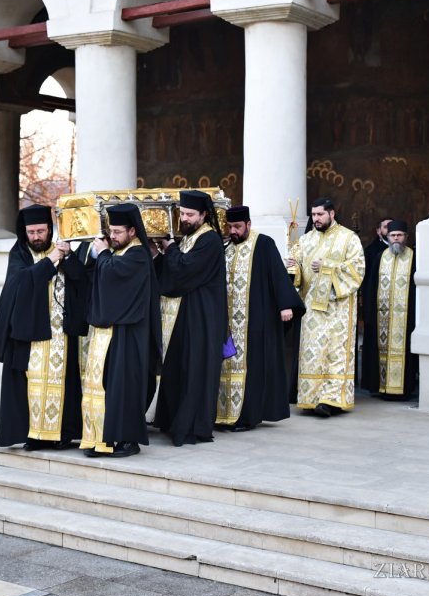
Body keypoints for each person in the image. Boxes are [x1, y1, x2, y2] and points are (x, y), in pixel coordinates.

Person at [0, 205, 89, 450]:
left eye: (40, 231)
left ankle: (60, 434)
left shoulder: (62, 251)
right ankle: (34, 435)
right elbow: (21, 282)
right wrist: (51, 260)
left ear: (50, 230)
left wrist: (68, 257)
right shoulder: (19, 254)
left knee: (63, 383)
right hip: (30, 336)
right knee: (31, 384)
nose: (36, 236)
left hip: (61, 335)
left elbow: (82, 281)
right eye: (31, 232)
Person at [216, 206, 305, 431]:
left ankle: (247, 417)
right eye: (230, 227)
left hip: (255, 318)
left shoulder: (263, 244)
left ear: (248, 224)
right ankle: (224, 414)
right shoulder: (226, 248)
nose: (233, 231)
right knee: (227, 367)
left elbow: (277, 273)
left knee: (252, 367)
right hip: (228, 322)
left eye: (237, 227)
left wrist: (286, 304)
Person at [82, 203, 160, 458]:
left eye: (117, 232)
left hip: (129, 335)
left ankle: (127, 441)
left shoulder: (137, 255)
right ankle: (102, 439)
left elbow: (114, 277)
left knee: (123, 387)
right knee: (105, 385)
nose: (112, 236)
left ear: (133, 232)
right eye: (110, 231)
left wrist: (103, 254)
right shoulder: (121, 251)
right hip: (111, 332)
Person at [153, 189, 228, 446]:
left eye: (189, 214)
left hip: (202, 319)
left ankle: (190, 427)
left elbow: (185, 270)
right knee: (178, 368)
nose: (184, 218)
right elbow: (173, 272)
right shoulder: (190, 237)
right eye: (182, 213)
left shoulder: (209, 240)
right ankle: (172, 421)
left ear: (204, 215)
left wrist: (170, 249)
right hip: (184, 317)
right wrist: (160, 254)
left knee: (195, 370)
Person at [286, 198, 365, 417]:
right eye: (313, 215)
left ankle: (331, 400)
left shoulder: (349, 238)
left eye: (320, 214)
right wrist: (294, 268)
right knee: (313, 353)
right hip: (312, 309)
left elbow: (357, 270)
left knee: (335, 353)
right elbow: (299, 275)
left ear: (332, 213)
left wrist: (328, 267)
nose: (316, 219)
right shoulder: (306, 239)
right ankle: (312, 399)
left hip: (338, 309)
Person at [371, 220, 418, 400]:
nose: (396, 238)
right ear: (387, 237)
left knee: (406, 353)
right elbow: (371, 287)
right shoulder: (380, 258)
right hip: (382, 317)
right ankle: (384, 388)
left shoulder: (415, 257)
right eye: (393, 235)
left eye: (399, 235)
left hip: (407, 319)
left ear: (406, 237)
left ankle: (404, 389)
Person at [359, 217, 391, 392]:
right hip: (377, 308)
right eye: (386, 227)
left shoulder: (407, 253)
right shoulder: (372, 252)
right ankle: (374, 383)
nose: (390, 230)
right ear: (378, 231)